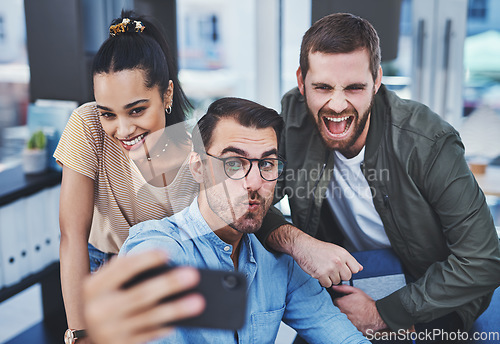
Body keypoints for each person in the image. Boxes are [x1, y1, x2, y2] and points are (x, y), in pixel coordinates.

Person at [255, 12, 500, 341]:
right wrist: (300, 243)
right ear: (302, 82)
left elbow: (484, 259)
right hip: (349, 285)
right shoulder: (295, 118)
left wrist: (384, 312)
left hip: (429, 293)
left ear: (377, 81)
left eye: (354, 87)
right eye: (322, 87)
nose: (337, 104)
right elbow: (250, 201)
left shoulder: (427, 141)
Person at [83, 97, 369, 344]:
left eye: (267, 163)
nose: (255, 182)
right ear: (198, 168)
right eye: (234, 164)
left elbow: (342, 337)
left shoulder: (280, 264)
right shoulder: (160, 251)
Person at [54, 10, 199, 343]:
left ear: (167, 95)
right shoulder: (87, 126)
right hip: (102, 270)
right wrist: (80, 333)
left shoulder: (198, 149)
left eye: (136, 110)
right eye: (108, 113)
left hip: (172, 277)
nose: (122, 129)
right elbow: (71, 235)